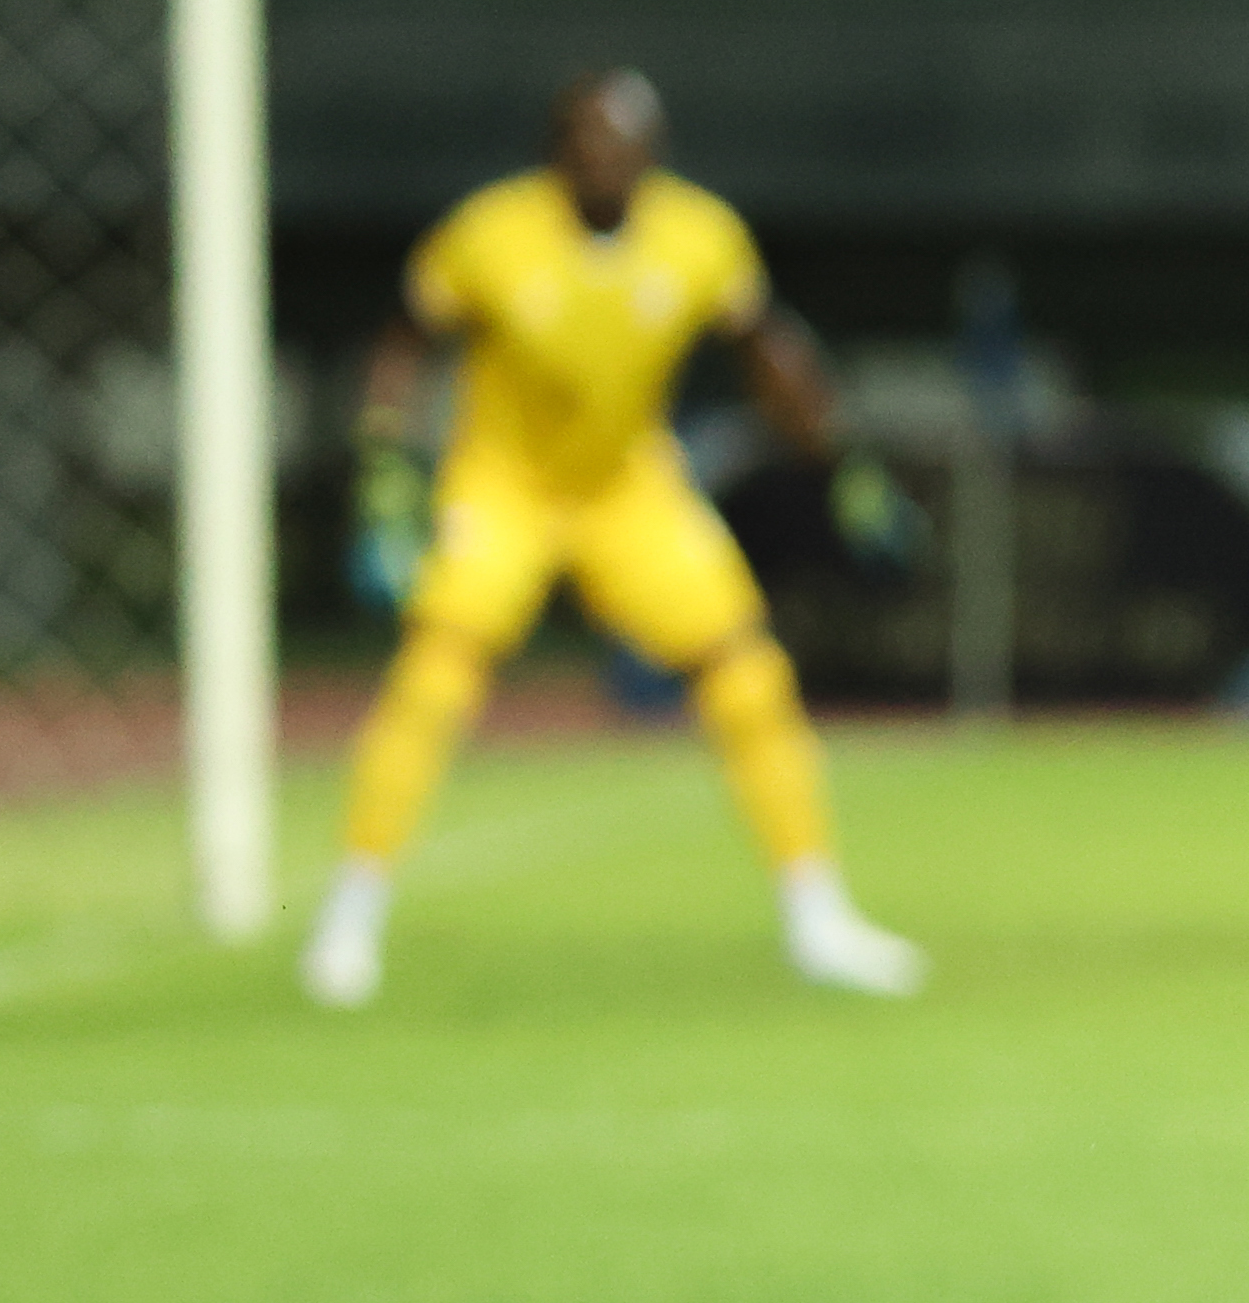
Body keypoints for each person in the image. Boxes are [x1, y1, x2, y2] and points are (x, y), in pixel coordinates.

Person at [303, 72, 925, 1008]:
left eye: (620, 146)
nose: (602, 162)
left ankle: (817, 914)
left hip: (628, 486)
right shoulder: (492, 232)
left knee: (747, 674)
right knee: (437, 673)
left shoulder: (700, 236)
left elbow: (770, 355)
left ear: (653, 155)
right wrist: (387, 471)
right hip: (504, 484)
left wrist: (844, 467)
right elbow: (404, 346)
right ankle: (351, 912)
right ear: (556, 152)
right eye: (584, 144)